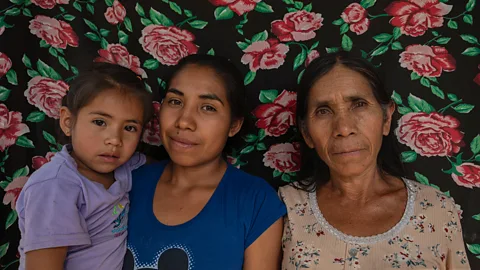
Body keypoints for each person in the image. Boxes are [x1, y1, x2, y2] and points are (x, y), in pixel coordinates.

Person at [279, 52, 471, 269]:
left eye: (359, 104)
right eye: (323, 111)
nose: (343, 128)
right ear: (306, 133)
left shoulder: (436, 210)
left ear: (386, 118)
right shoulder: (286, 209)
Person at [123, 54, 286, 270]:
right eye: (175, 101)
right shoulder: (126, 183)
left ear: (234, 125)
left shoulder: (255, 202)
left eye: (208, 107)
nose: (184, 121)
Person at [16, 62, 153, 270]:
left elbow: (167, 170)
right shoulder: (55, 187)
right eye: (100, 122)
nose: (115, 140)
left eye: (130, 127)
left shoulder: (127, 167)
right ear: (68, 122)